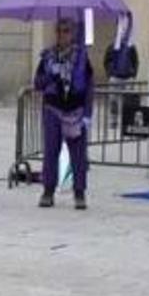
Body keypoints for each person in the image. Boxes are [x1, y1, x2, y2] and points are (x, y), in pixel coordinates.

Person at [34, 19, 94, 210]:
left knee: (78, 154)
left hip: (75, 110)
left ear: (73, 33)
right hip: (53, 109)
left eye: (66, 31)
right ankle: (48, 191)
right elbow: (38, 83)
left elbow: (89, 86)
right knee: (51, 151)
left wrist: (87, 113)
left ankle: (79, 192)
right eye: (59, 31)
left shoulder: (82, 58)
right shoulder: (48, 57)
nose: (62, 35)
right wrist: (51, 74)